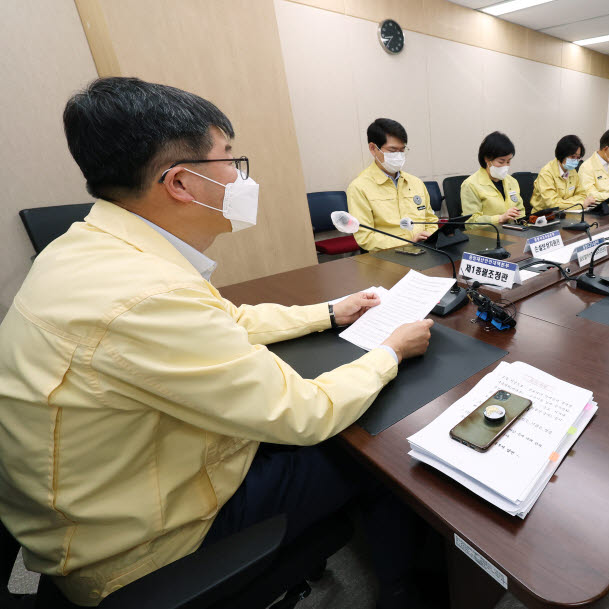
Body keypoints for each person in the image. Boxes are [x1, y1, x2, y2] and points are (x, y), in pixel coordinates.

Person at [0, 77, 435, 608]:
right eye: (230, 159)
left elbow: (225, 319)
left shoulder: (91, 246)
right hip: (142, 549)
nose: (240, 176)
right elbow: (304, 413)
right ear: (181, 183)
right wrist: (390, 350)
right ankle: (408, 594)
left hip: (107, 496)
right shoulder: (147, 293)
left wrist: (327, 312)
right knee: (376, 457)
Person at [347, 118, 437, 251]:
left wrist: (430, 236)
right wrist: (407, 242)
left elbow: (430, 219)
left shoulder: (415, 182)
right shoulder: (359, 187)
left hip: (424, 250)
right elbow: (365, 237)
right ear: (373, 148)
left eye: (402, 150)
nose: (399, 156)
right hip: (386, 257)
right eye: (393, 150)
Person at [461, 131, 524, 224]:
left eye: (508, 161)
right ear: (487, 159)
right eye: (501, 162)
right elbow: (471, 222)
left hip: (513, 233)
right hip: (486, 235)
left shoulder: (512, 181)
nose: (505, 166)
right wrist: (500, 218)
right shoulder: (470, 185)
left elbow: (521, 211)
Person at [530, 135, 593, 211]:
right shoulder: (546, 173)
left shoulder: (572, 171)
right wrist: (580, 204)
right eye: (573, 157)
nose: (575, 161)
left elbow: (582, 195)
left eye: (578, 157)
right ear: (562, 154)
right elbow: (553, 204)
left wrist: (564, 204)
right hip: (544, 216)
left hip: (566, 213)